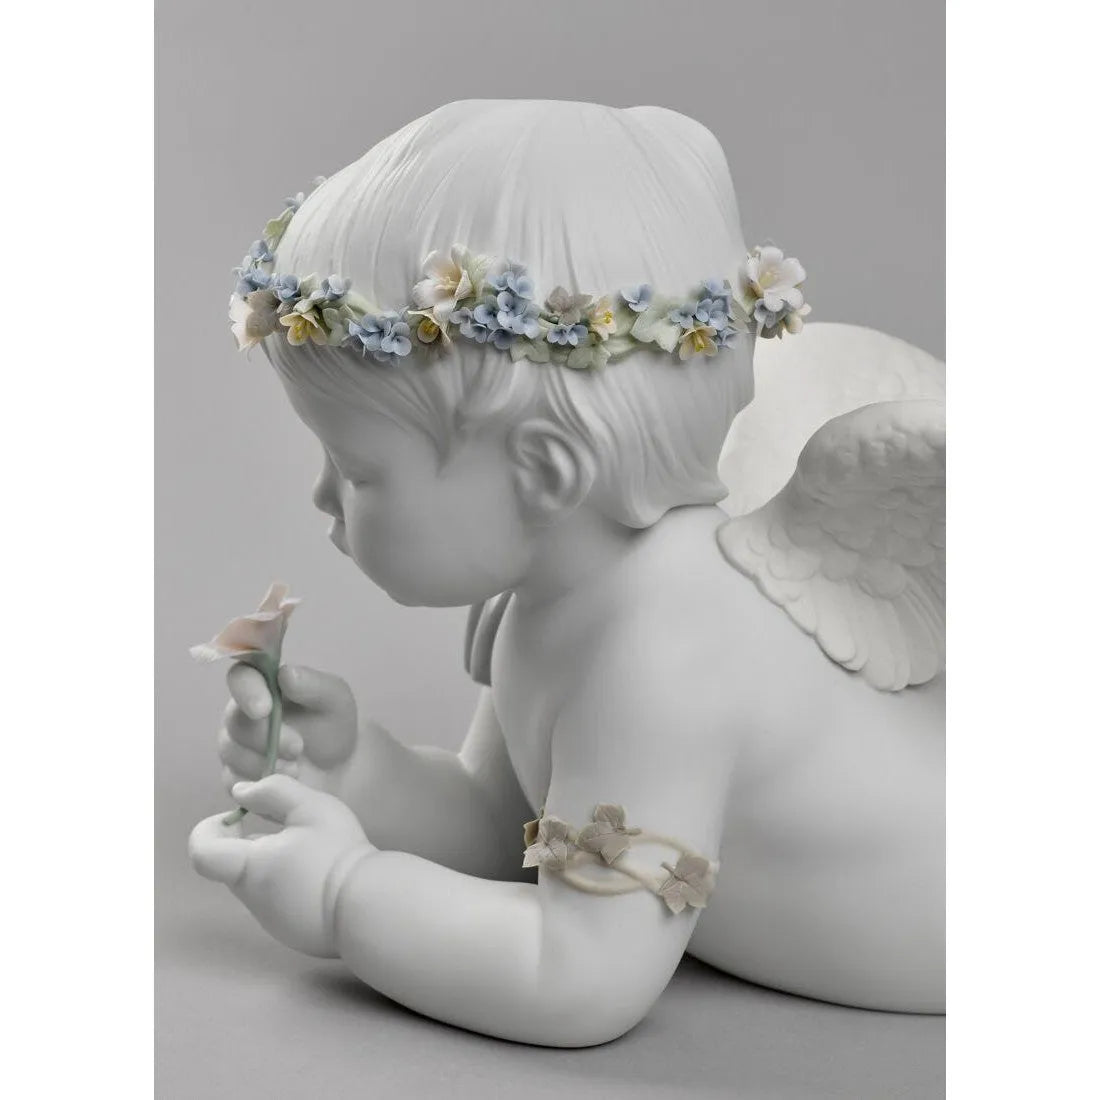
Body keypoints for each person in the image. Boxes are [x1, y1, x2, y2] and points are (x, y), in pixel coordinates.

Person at [190, 99, 945, 1047]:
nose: (322, 496)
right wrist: (356, 772)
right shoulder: (562, 598)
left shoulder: (667, 648)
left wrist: (344, 894)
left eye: (359, 470)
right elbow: (507, 825)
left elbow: (580, 975)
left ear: (545, 471)